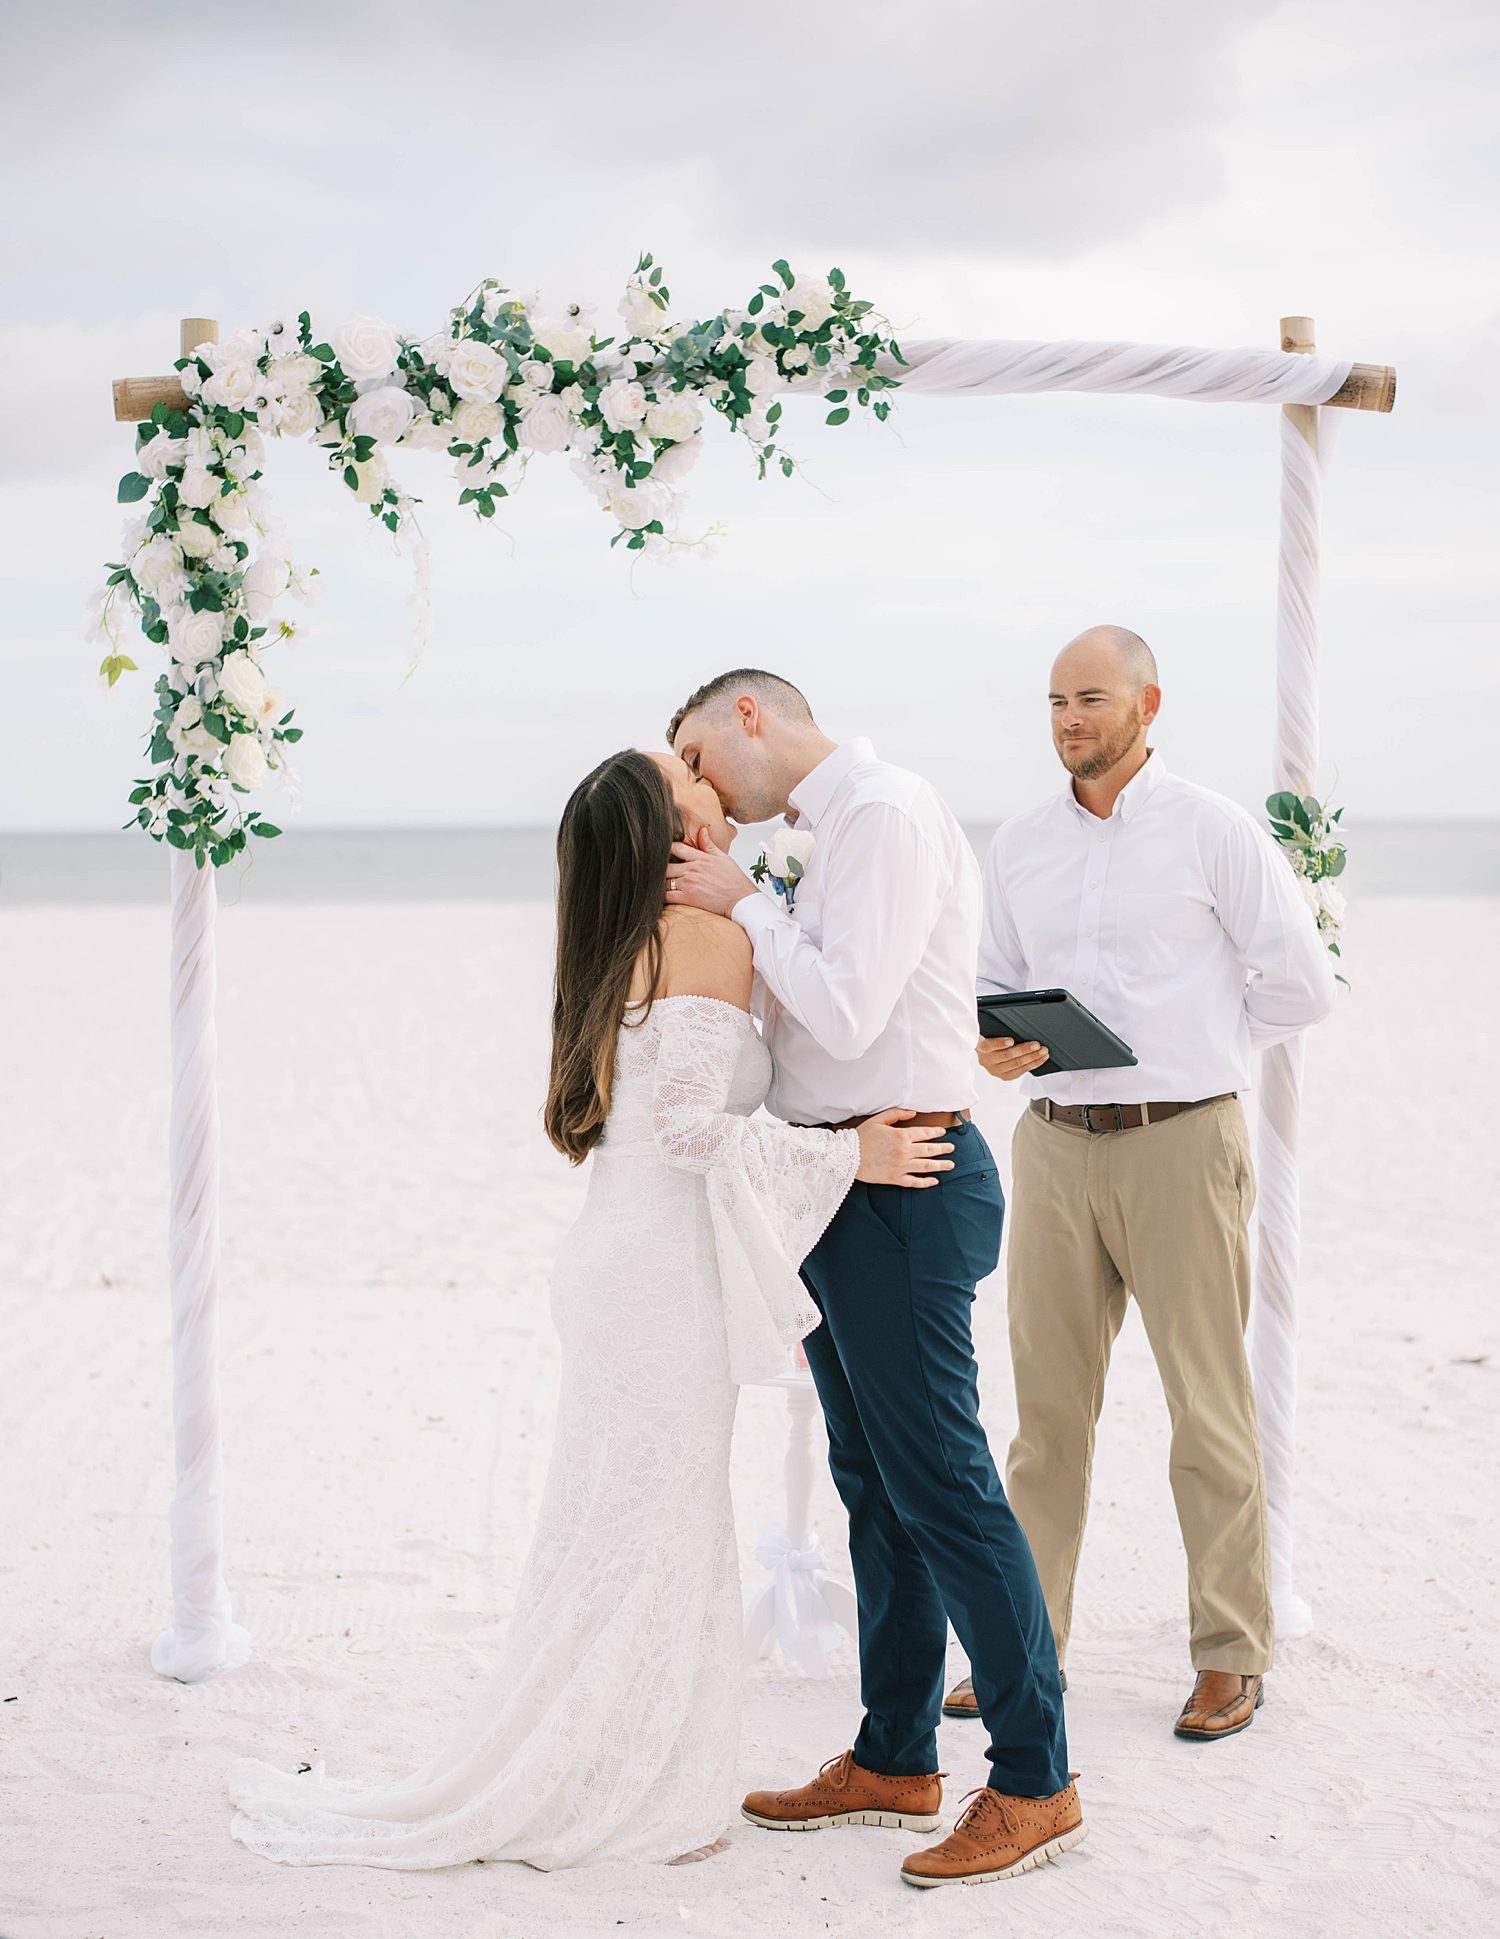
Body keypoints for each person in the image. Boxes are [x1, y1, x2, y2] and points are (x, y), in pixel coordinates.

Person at [228, 749, 951, 1871]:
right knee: (659, 1524)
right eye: (690, 776)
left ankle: (617, 1761)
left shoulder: (629, 939)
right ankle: (640, 1785)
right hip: (657, 1283)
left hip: (625, 1267)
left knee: (614, 1527)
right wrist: (849, 1151)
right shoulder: (701, 937)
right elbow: (690, 1135)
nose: (711, 776)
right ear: (674, 833)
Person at [665, 671, 1083, 1890]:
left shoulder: (886, 813)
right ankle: (896, 1753)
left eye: (696, 752)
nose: (702, 787)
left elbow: (845, 1015)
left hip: (904, 1180)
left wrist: (747, 903)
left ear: (750, 715)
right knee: (876, 1488)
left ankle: (1035, 1777)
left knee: (945, 1486)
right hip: (839, 1180)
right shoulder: (817, 835)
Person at [942, 624, 1336, 1744]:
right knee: (1046, 1421)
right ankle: (1026, 1647)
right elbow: (991, 984)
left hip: (1183, 1142)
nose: (1071, 718)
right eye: (1057, 700)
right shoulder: (1018, 843)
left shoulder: (1214, 831)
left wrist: (1197, 1052)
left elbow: (1298, 988)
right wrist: (1002, 1046)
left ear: (1148, 704)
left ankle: (1228, 1654)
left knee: (1208, 1411)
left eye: (1093, 699)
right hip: (1055, 1146)